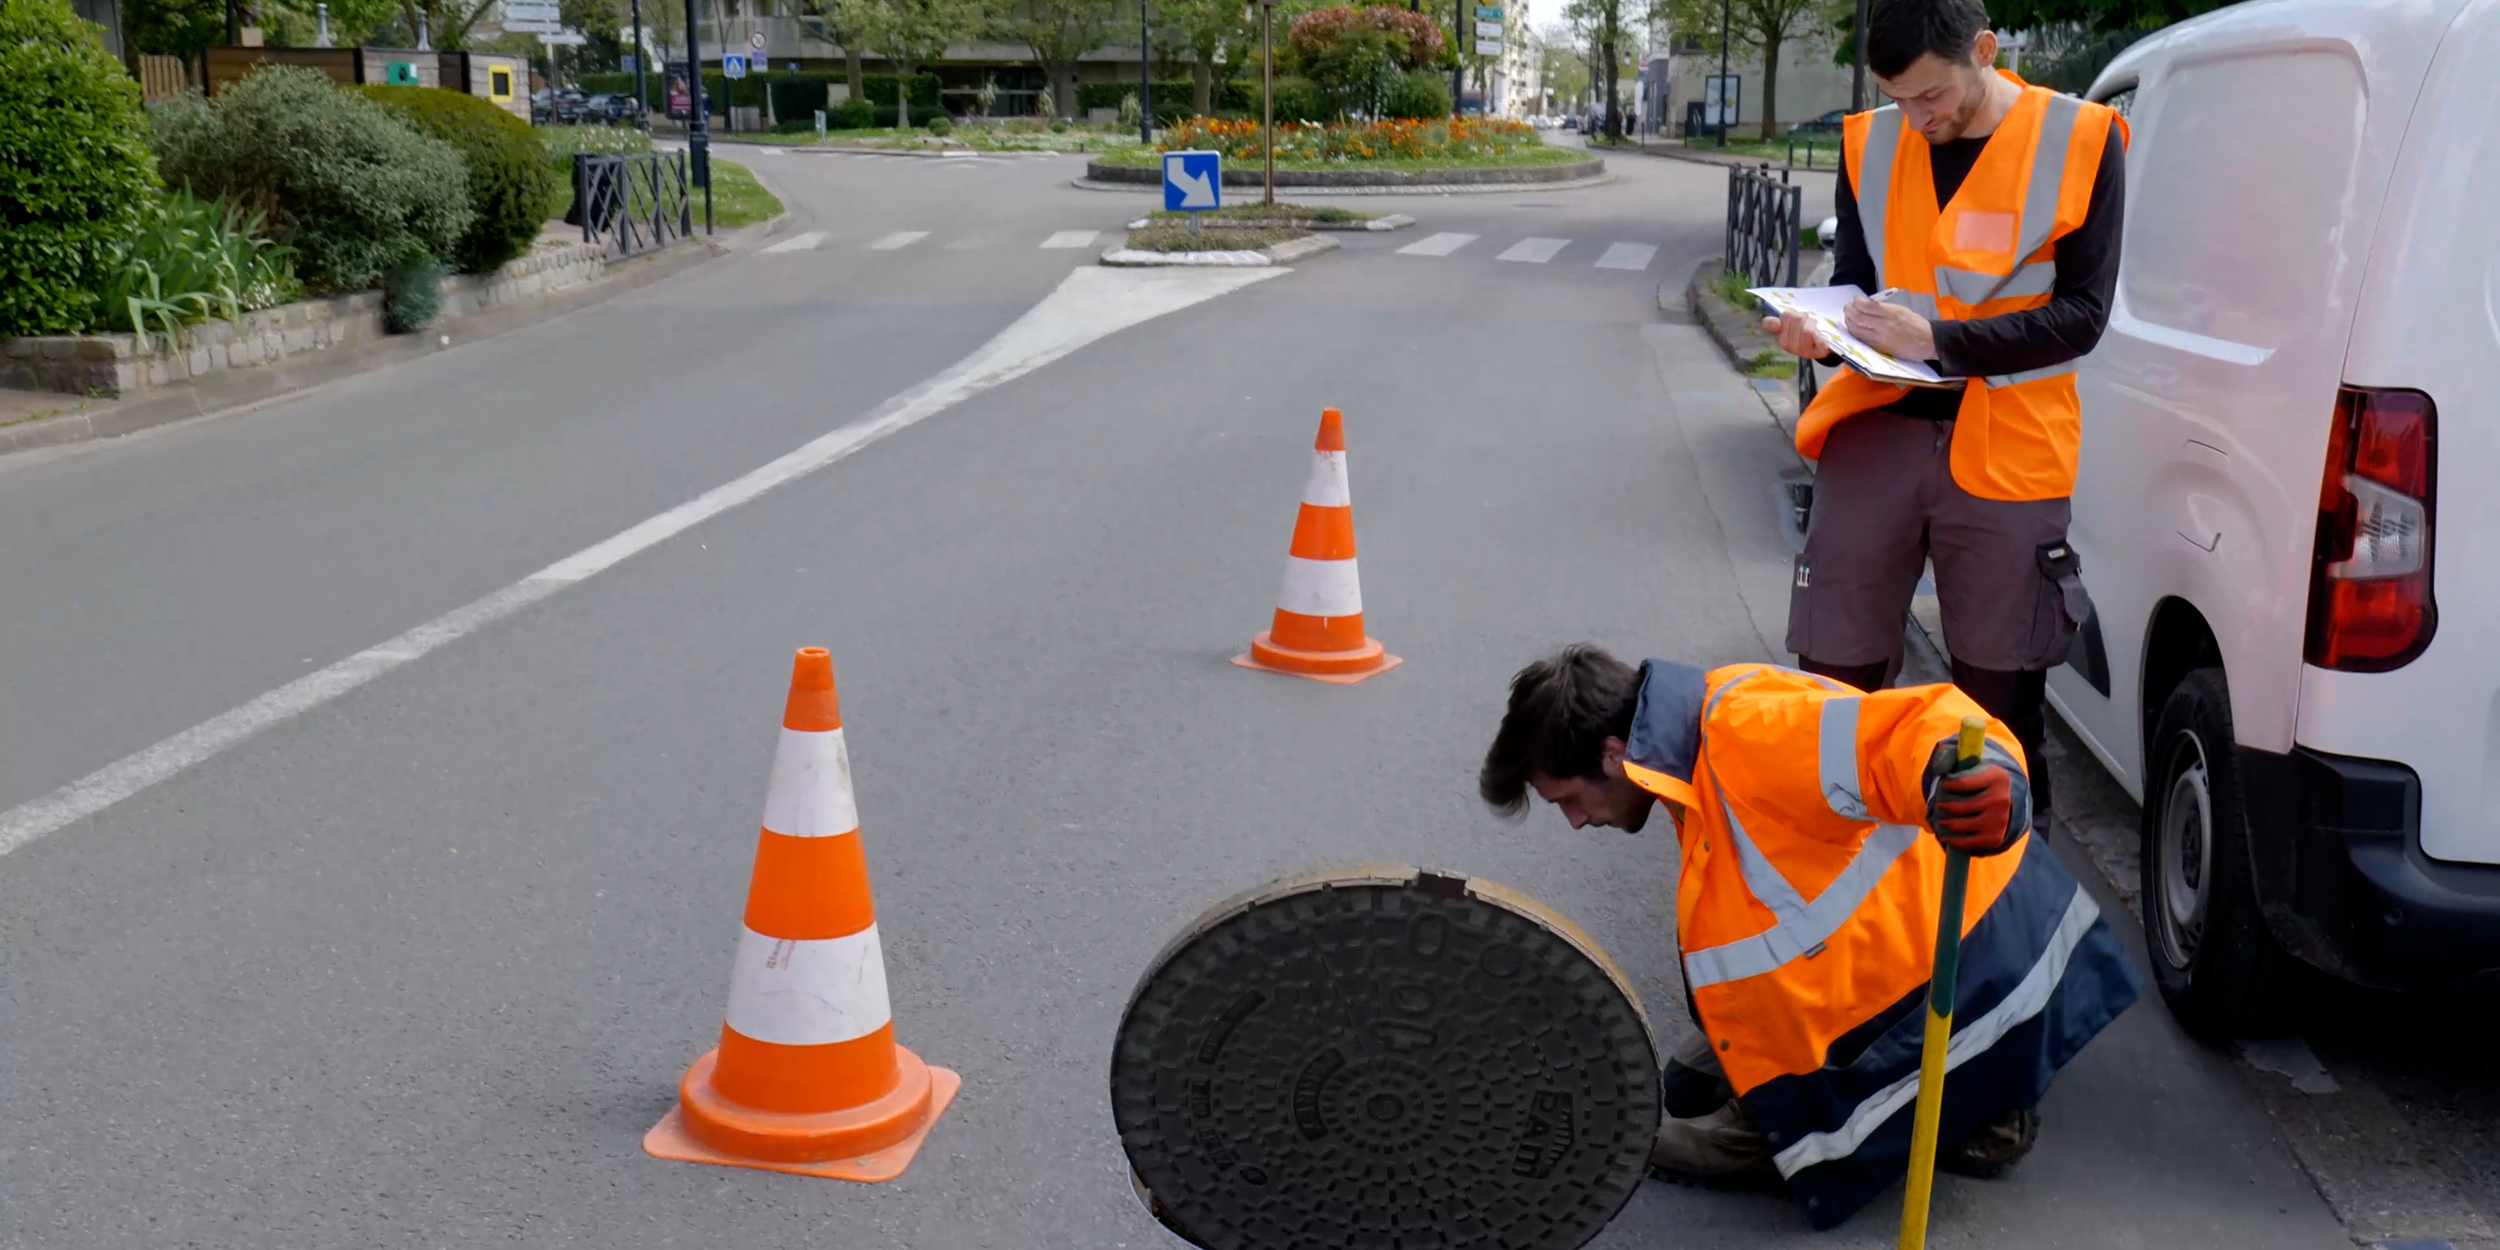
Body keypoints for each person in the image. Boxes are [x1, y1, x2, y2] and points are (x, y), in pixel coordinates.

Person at [1481, 646, 2140, 1229]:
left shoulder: (1747, 733)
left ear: (1612, 753)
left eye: (1566, 798)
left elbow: (1908, 730)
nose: (1572, 822)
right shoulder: (1694, 733)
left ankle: (1978, 1108)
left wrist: (1972, 773)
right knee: (1684, 1082)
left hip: (1975, 970)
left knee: (1710, 1114)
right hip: (1915, 945)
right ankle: (1804, 1082)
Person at [1766, 0, 2127, 837]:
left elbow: (2083, 314)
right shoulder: (1870, 140)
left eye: (1931, 97)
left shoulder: (2083, 137)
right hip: (1878, 426)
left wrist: (1940, 340)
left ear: (1985, 51)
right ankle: (1840, 881)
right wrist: (1815, 334)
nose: (1917, 120)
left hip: (2010, 439)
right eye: (1899, 100)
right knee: (1832, 678)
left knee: (1995, 705)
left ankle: (1995, 907)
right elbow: (1856, 287)